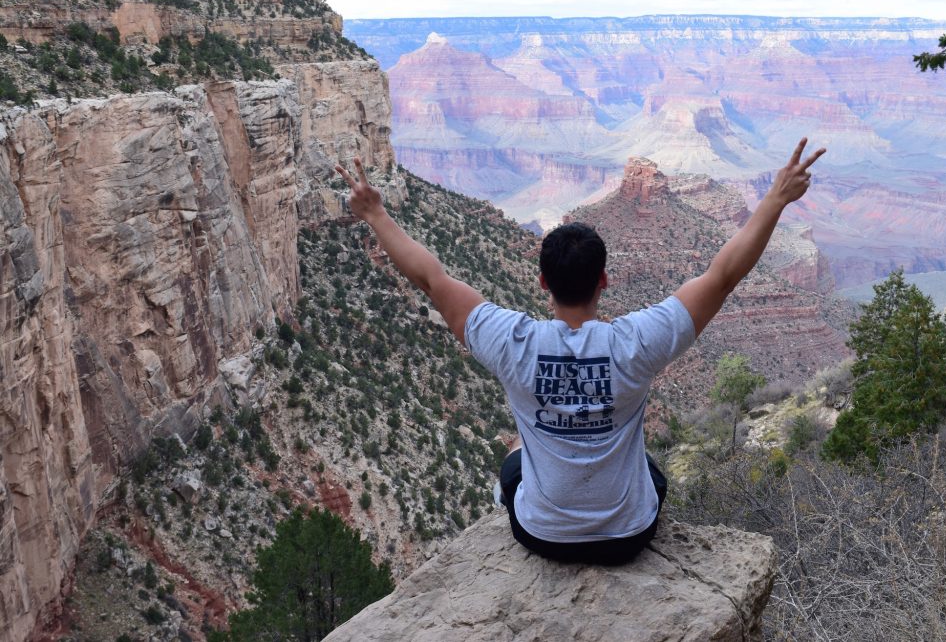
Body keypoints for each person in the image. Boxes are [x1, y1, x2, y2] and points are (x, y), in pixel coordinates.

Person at [336, 138, 825, 565]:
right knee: (649, 469)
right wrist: (775, 200)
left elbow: (431, 277)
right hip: (628, 538)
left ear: (543, 281)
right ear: (605, 281)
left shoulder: (512, 342)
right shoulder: (636, 342)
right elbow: (723, 275)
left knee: (514, 456)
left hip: (542, 537)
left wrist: (376, 213)